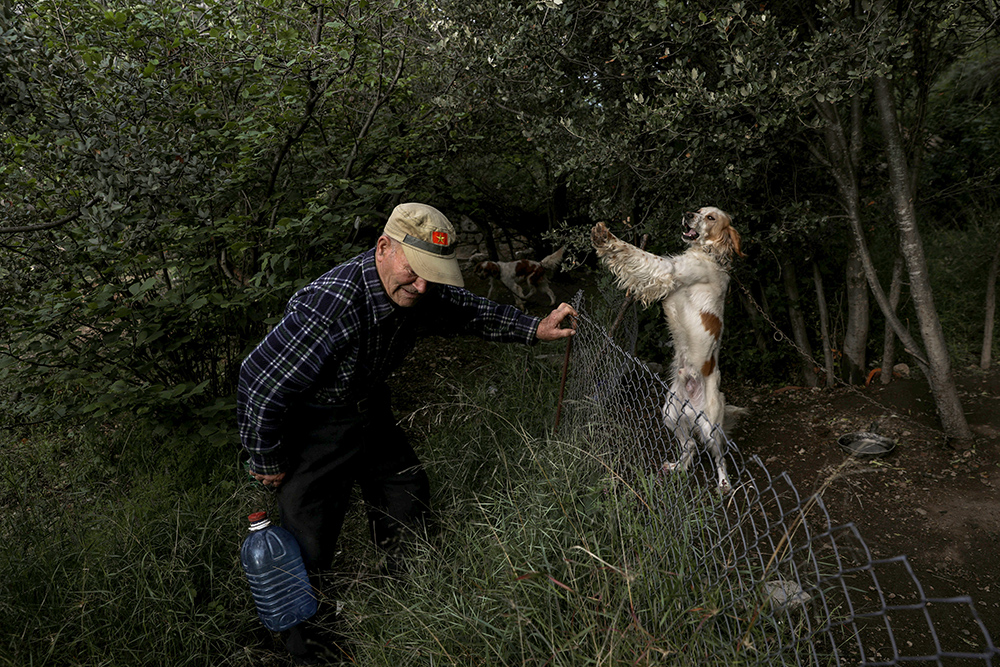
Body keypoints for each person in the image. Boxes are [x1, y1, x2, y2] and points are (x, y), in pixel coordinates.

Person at [236, 202, 576, 663]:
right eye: (413, 272)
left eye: (431, 276)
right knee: (309, 534)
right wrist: (267, 458)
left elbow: (467, 310)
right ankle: (309, 645)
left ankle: (409, 599)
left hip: (370, 408)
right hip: (316, 423)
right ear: (383, 248)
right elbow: (260, 380)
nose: (421, 286)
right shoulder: (331, 305)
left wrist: (534, 327)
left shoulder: (422, 289)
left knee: (406, 493)